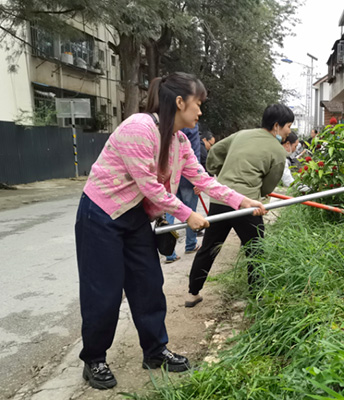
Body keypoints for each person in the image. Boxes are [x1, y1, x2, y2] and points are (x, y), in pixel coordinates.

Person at [75, 72, 266, 390]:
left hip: (134, 215)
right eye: (198, 104)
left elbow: (203, 179)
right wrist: (188, 214)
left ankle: (155, 351)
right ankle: (94, 359)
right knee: (103, 292)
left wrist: (242, 200)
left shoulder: (179, 141)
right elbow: (149, 186)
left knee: (148, 283)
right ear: (180, 102)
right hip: (101, 214)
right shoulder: (139, 128)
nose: (200, 111)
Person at [186, 104, 294, 307]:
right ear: (277, 126)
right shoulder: (278, 151)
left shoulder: (241, 135)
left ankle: (192, 293)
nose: (289, 131)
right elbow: (270, 184)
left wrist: (218, 172)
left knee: (209, 247)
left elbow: (216, 150)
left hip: (221, 197)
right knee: (255, 249)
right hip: (247, 204)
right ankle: (257, 296)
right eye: (288, 126)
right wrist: (258, 194)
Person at [164, 122, 204, 263]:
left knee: (170, 211)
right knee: (190, 211)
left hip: (171, 176)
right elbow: (194, 152)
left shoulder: (167, 123)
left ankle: (168, 252)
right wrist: (197, 180)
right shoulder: (190, 124)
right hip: (187, 177)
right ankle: (191, 244)